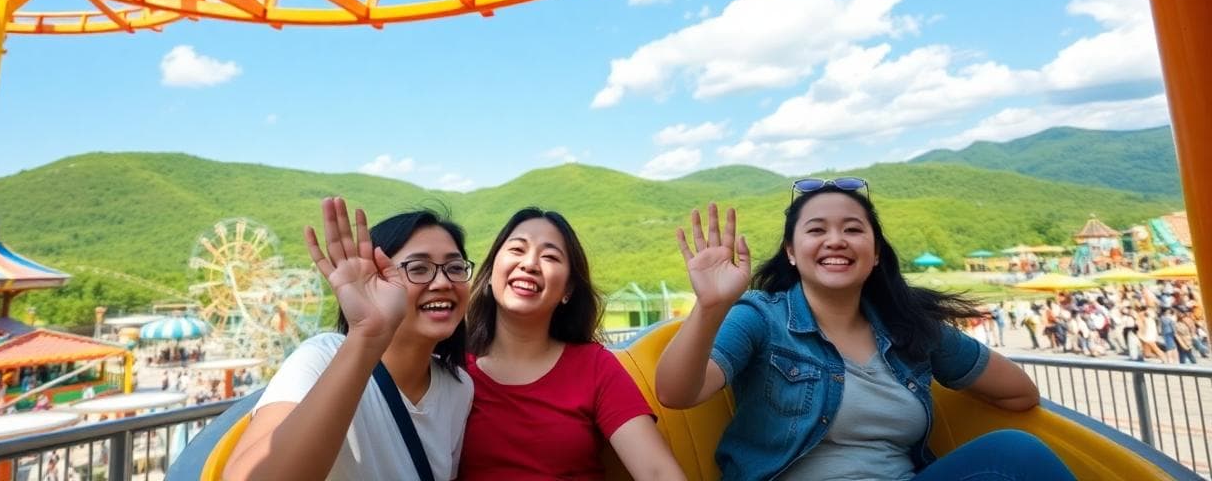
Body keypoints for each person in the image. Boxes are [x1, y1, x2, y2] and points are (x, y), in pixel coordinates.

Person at [655, 181, 1076, 481]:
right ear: (791, 253)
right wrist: (711, 308)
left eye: (853, 229)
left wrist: (945, 380)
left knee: (1013, 455)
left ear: (875, 254)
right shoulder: (760, 318)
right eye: (816, 229)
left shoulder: (910, 327)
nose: (836, 240)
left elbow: (1020, 392)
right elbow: (676, 393)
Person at [226, 198, 474, 480]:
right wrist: (367, 336)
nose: (443, 283)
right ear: (374, 280)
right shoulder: (321, 358)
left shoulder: (459, 388)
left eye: (455, 268)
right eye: (418, 268)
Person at [458, 207, 683, 480]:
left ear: (567, 291)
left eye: (550, 256)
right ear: (492, 272)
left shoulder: (594, 366)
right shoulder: (452, 368)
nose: (529, 264)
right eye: (517, 250)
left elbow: (658, 472)